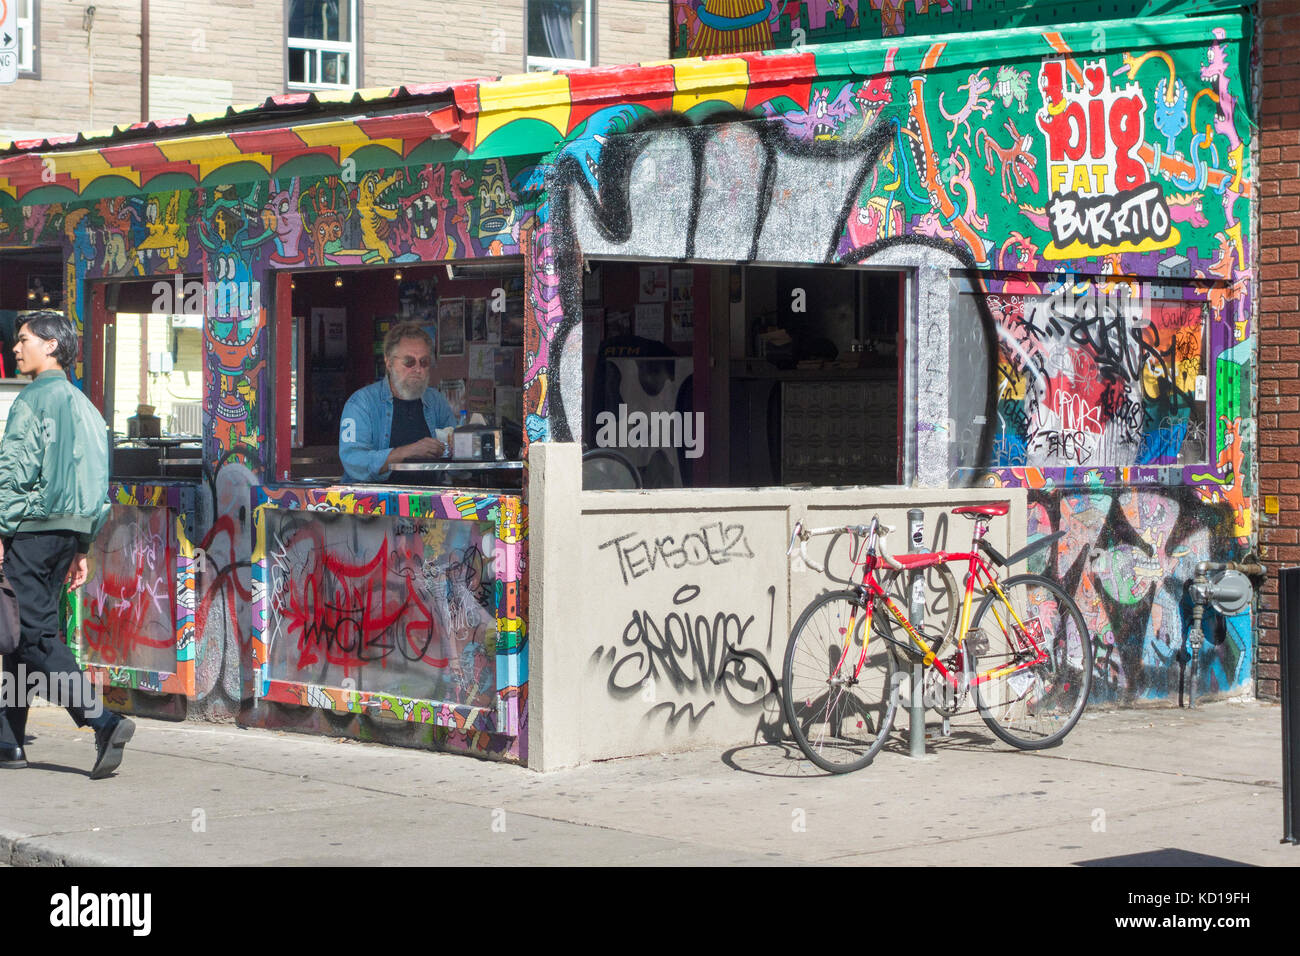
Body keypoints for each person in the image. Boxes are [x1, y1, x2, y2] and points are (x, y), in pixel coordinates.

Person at [0, 311, 134, 778]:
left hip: (31, 531)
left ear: (51, 346)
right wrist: (83, 544)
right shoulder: (84, 405)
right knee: (17, 636)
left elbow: (14, 473)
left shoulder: (33, 400)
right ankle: (9, 741)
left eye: (23, 341)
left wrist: (0, 530)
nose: (15, 349)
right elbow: (97, 481)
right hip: (66, 533)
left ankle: (101, 720)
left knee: (33, 635)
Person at [339, 321, 456, 482]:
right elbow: (353, 461)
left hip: (428, 502)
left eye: (424, 362)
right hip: (374, 503)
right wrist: (408, 452)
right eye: (409, 362)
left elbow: (458, 463)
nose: (417, 368)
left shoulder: (436, 401)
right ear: (388, 362)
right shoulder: (361, 403)